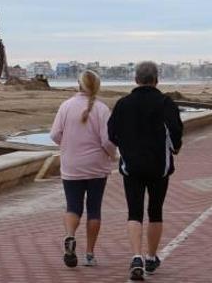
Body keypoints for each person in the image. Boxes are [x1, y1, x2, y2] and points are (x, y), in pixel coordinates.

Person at [108, 61, 183, 281]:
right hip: (160, 167)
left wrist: (126, 146)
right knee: (155, 211)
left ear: (135, 79)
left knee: (134, 212)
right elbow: (176, 130)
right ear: (156, 79)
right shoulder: (165, 102)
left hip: (131, 167)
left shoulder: (123, 103)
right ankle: (151, 257)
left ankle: (136, 256)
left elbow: (111, 133)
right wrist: (175, 148)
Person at [50, 70, 116, 268]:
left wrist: (68, 145)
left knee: (73, 206)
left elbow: (54, 134)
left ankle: (70, 236)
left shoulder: (66, 106)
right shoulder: (103, 109)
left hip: (71, 165)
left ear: (78, 85)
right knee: (94, 209)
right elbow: (108, 140)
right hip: (96, 166)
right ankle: (89, 254)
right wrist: (111, 154)